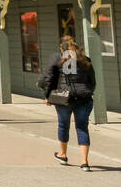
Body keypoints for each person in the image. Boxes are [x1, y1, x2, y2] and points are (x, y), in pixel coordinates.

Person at [39, 35, 96, 170]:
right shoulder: (85, 60)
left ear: (61, 47)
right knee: (82, 127)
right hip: (84, 98)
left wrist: (47, 96)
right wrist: (87, 91)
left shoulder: (57, 58)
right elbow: (93, 82)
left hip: (64, 99)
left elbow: (48, 78)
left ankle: (63, 154)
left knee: (63, 125)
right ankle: (84, 163)